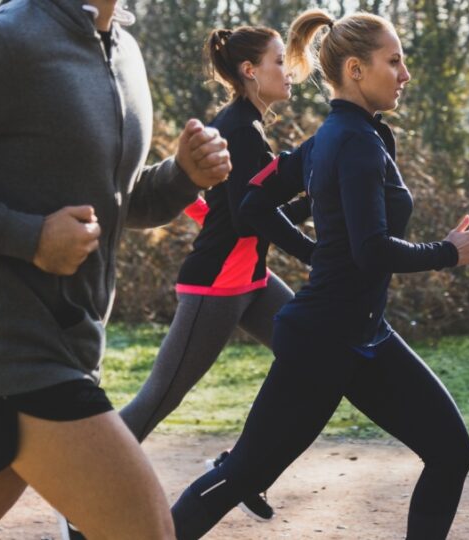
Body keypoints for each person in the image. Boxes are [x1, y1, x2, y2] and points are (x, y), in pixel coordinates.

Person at [170, 9, 469, 540]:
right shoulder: (354, 142)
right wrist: (447, 252)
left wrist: (317, 236)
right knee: (241, 475)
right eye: (394, 61)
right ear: (355, 69)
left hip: (363, 336)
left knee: (450, 451)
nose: (405, 74)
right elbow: (369, 251)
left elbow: (256, 201)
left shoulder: (336, 138)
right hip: (322, 342)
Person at [0, 0, 230, 537]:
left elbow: (113, 203)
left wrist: (182, 177)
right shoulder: (4, 41)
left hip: (60, 350)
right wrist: (27, 237)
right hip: (14, 352)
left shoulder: (123, 51)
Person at [119, 24, 314, 522]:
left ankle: (241, 469)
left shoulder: (244, 125)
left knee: (312, 357)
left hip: (251, 278)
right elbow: (254, 214)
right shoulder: (240, 128)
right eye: (277, 61)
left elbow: (218, 205)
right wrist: (315, 212)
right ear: (250, 71)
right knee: (157, 400)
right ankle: (78, 497)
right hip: (217, 285)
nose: (288, 71)